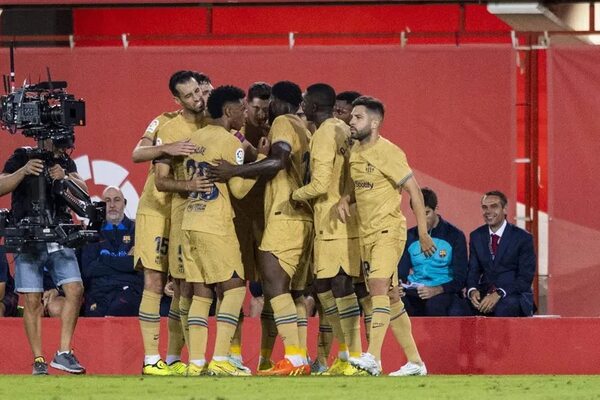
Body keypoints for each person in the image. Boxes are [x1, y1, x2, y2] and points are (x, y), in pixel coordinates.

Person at [209, 80, 313, 376]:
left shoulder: (282, 122)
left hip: (284, 215)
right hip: (301, 217)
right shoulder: (305, 130)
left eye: (269, 104)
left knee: (274, 286)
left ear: (279, 102)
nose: (265, 111)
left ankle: (294, 357)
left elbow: (278, 162)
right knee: (288, 290)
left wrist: (234, 170)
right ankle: (293, 356)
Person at [337, 96, 430, 377]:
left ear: (375, 122)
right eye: (351, 117)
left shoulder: (390, 152)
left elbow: (415, 191)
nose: (351, 121)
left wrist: (423, 233)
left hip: (388, 230)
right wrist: (345, 198)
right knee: (390, 297)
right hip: (366, 234)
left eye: (358, 117)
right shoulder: (354, 150)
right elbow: (360, 184)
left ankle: (373, 357)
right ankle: (415, 362)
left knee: (376, 287)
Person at [132, 70, 211, 376]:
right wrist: (168, 148)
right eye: (190, 95)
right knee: (153, 280)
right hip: (155, 209)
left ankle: (175, 358)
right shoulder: (163, 121)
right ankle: (152, 360)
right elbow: (137, 153)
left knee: (182, 285)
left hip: (185, 212)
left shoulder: (211, 121)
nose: (198, 98)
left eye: (199, 92)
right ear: (177, 99)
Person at [178, 85, 259, 376]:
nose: (245, 113)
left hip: (191, 221)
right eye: (242, 107)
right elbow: (237, 189)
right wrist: (259, 165)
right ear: (228, 111)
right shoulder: (230, 142)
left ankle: (196, 363)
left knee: (202, 293)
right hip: (215, 224)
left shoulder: (194, 138)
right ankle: (222, 360)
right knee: (235, 286)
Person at [292, 83, 364, 376]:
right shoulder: (343, 129)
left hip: (332, 219)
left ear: (314, 106)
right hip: (347, 218)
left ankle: (353, 357)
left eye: (306, 101)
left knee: (334, 287)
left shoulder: (323, 135)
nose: (303, 106)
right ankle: (347, 356)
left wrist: (293, 195)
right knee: (332, 287)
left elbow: (320, 184)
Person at [0, 138, 87, 375]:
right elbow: (1, 186)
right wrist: (23, 171)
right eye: (58, 142)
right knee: (31, 300)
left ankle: (64, 352)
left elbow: (85, 191)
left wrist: (65, 177)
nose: (62, 147)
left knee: (76, 289)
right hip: (28, 235)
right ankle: (38, 360)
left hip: (59, 231)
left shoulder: (65, 161)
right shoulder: (21, 156)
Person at [398, 187, 469, 316]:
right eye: (418, 214)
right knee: (396, 304)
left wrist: (437, 290)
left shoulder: (455, 235)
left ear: (436, 209)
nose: (423, 220)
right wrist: (399, 288)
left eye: (427, 213)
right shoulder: (409, 236)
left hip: (443, 292)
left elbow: (461, 277)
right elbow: (401, 273)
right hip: (415, 291)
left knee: (434, 305)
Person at [467, 190, 536, 317]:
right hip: (485, 292)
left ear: (504, 209)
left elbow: (525, 278)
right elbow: (473, 270)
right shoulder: (476, 236)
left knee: (504, 307)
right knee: (460, 308)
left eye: (494, 206)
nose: (488, 211)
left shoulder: (522, 238)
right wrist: (472, 291)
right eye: (485, 207)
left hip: (513, 294)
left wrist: (499, 293)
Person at [80, 186, 141, 316]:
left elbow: (136, 265)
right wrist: (124, 264)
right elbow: (89, 270)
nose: (112, 205)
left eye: (117, 200)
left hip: (128, 292)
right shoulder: (92, 232)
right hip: (98, 293)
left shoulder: (138, 230)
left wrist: (103, 259)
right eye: (107, 200)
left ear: (124, 204)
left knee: (119, 309)